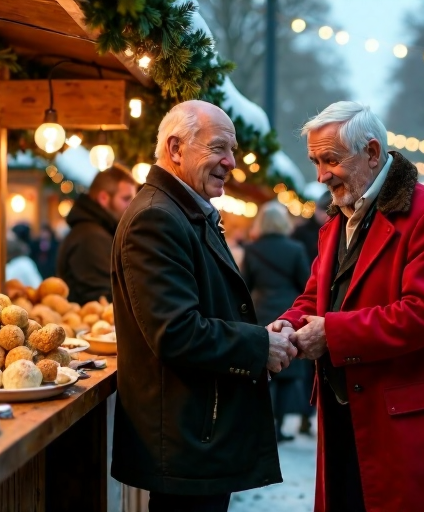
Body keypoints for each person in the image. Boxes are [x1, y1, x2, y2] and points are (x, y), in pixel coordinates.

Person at [273, 101, 424, 512]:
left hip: (410, 421)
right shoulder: (340, 218)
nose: (321, 176)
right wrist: (287, 324)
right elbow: (317, 294)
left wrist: (331, 334)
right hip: (350, 413)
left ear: (371, 153)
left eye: (330, 160)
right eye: (315, 162)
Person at [110, 100, 296, 511]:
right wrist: (260, 345)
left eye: (231, 151)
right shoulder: (157, 218)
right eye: (218, 148)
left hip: (196, 432)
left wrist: (262, 338)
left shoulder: (183, 211)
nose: (231, 162)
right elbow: (176, 332)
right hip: (186, 436)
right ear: (175, 149)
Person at [241, 201, 312, 442]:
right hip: (288, 312)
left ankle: (262, 424)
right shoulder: (295, 249)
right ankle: (280, 427)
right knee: (287, 373)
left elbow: (245, 284)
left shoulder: (252, 249)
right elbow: (306, 283)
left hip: (260, 312)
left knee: (262, 371)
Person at [57, 165, 137, 304]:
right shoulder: (91, 237)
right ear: (103, 198)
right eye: (126, 199)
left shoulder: (94, 231)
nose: (132, 206)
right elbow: (103, 298)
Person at [289, 191, 331, 435]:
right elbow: (306, 280)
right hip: (306, 304)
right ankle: (306, 416)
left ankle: (312, 415)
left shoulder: (334, 230)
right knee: (306, 370)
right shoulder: (302, 235)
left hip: (316, 305)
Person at [291, 191, 332, 264]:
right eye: (324, 209)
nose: (327, 215)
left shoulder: (335, 231)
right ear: (316, 209)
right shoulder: (301, 231)